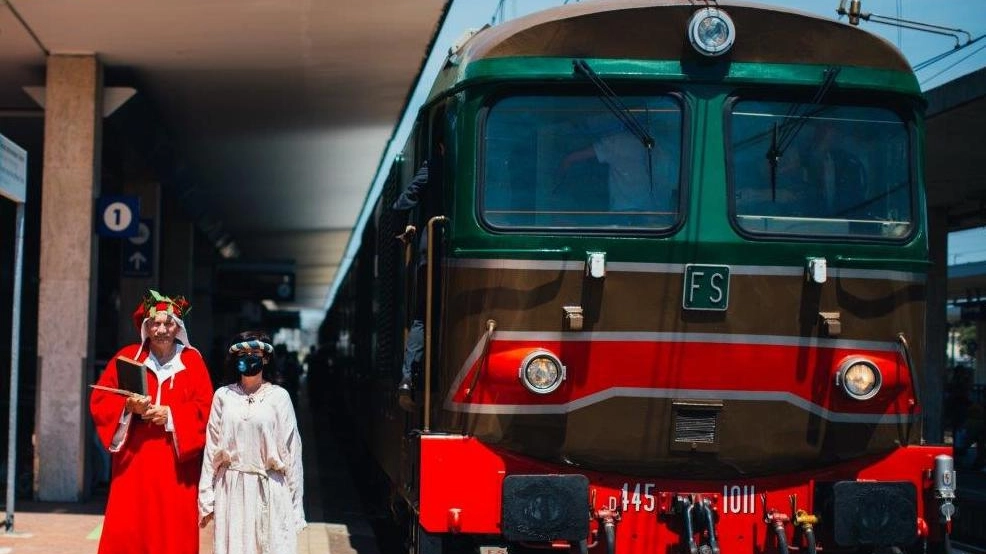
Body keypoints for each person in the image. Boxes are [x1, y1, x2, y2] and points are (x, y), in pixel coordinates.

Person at [89, 289, 214, 554]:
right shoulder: (128, 358)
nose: (161, 329)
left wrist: (171, 415)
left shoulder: (192, 362)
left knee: (171, 534)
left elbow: (206, 410)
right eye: (155, 323)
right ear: (146, 327)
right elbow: (101, 399)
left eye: (168, 323)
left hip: (175, 469)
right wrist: (127, 406)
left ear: (177, 327)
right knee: (128, 532)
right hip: (133, 465)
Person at [198, 330, 306, 554]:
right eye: (243, 353)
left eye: (255, 353)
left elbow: (292, 453)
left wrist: (295, 507)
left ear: (265, 358)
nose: (249, 358)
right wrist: (206, 497)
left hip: (269, 487)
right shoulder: (223, 396)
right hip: (231, 489)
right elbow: (211, 449)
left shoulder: (279, 397)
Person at [392, 140, 444, 405]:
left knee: (423, 318)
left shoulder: (435, 165)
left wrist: (407, 228)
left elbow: (403, 201)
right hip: (456, 253)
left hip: (432, 252)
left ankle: (407, 378)